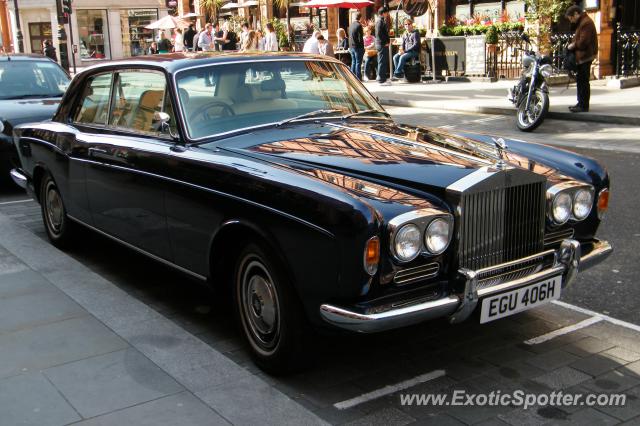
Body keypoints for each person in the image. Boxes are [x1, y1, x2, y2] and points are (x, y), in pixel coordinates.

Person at [565, 5, 597, 113]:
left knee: (583, 81)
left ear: (576, 14)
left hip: (585, 56)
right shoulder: (583, 22)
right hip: (582, 57)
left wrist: (572, 45)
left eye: (571, 18)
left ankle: (583, 106)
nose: (572, 21)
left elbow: (583, 42)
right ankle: (580, 103)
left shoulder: (586, 23)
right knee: (580, 81)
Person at [375, 7, 391, 85]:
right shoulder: (380, 21)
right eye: (386, 13)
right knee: (382, 61)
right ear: (383, 13)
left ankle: (382, 78)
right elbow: (379, 34)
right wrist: (385, 42)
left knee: (382, 61)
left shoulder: (380, 20)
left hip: (380, 44)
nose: (387, 14)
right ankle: (381, 79)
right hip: (381, 44)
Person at [348, 13, 365, 80]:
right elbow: (360, 38)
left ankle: (352, 77)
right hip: (358, 47)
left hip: (351, 46)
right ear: (360, 18)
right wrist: (363, 47)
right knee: (358, 62)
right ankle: (358, 78)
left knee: (354, 62)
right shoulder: (359, 25)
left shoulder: (351, 25)